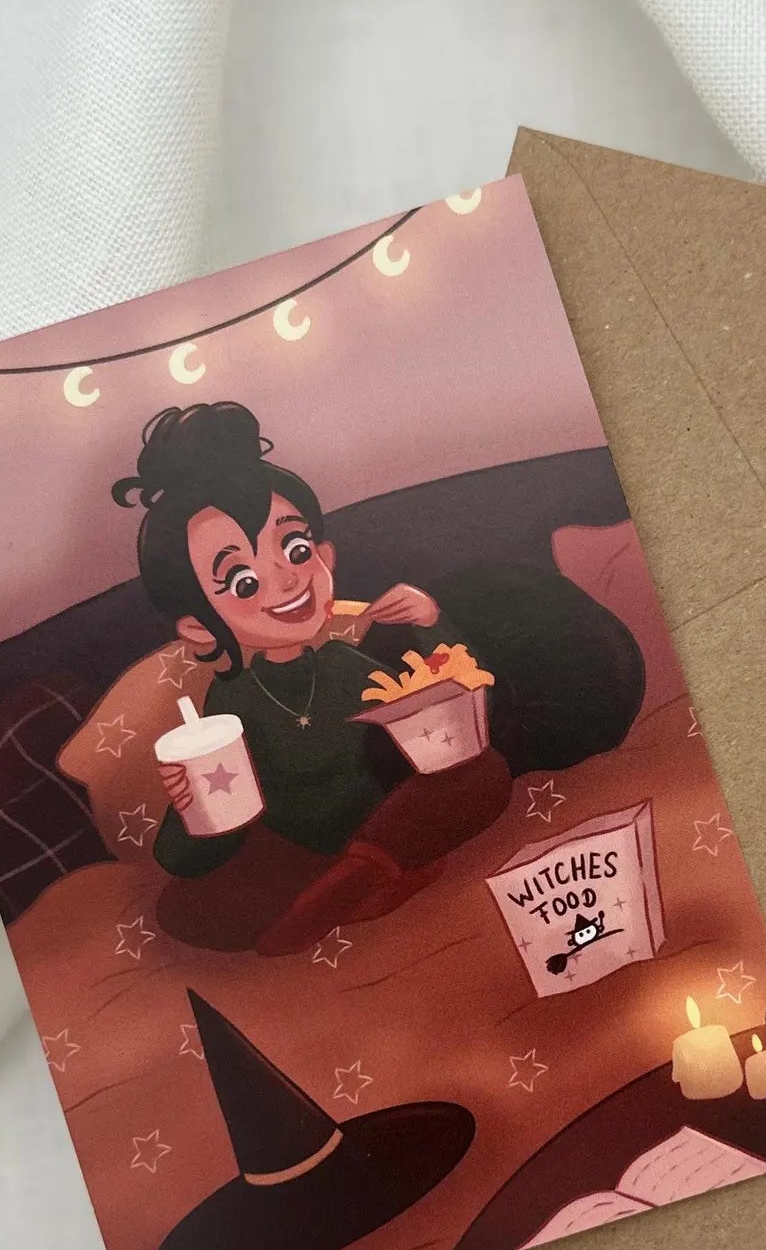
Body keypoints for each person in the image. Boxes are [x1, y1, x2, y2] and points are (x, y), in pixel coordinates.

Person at [113, 401, 515, 954]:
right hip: (302, 852)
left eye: (296, 548)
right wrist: (189, 812)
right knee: (183, 908)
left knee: (484, 774)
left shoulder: (346, 668)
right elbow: (184, 858)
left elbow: (458, 718)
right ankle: (368, 881)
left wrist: (429, 623)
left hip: (385, 823)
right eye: (242, 581)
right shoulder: (229, 708)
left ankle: (367, 873)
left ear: (325, 555)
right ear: (198, 627)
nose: (285, 578)